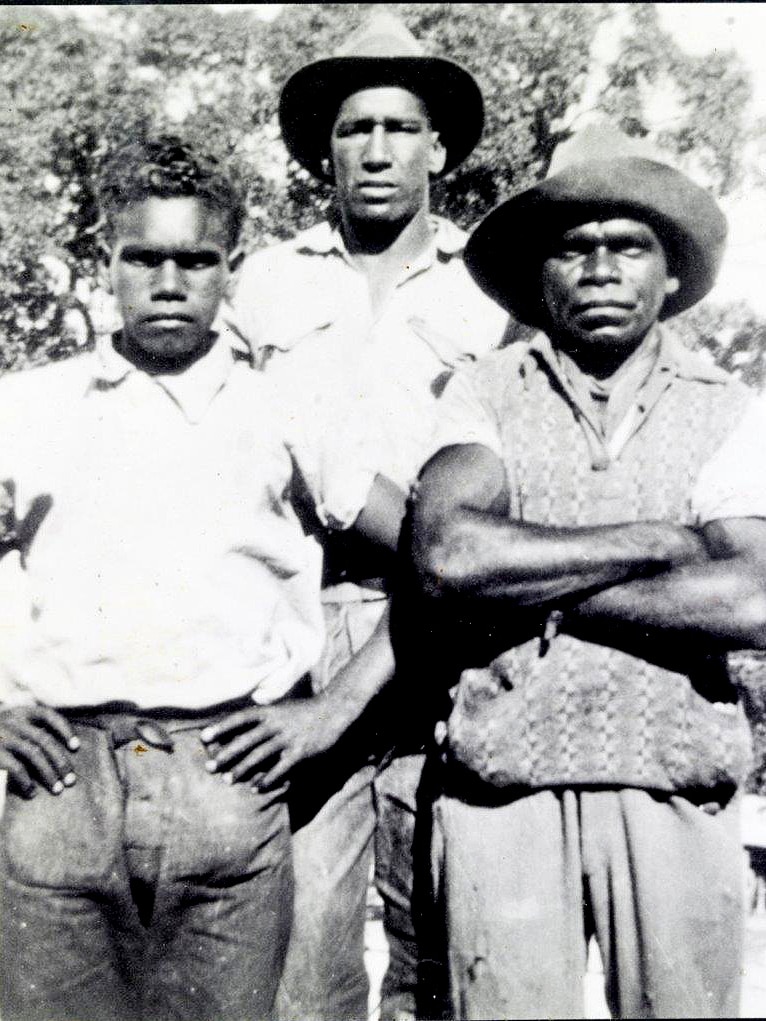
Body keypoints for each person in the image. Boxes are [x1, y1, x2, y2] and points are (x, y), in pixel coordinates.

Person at [0, 136, 402, 1021]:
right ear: (104, 261)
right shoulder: (27, 407)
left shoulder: (289, 403)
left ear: (234, 267)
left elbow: (434, 556)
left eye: (196, 259)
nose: (170, 281)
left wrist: (328, 711)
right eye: (143, 258)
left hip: (227, 782)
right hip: (62, 783)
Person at [410, 123, 766, 1019]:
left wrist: (542, 585)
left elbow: (754, 596)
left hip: (676, 782)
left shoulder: (728, 409)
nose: (601, 268)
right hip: (506, 787)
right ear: (540, 272)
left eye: (628, 246)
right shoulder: (482, 391)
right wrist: (655, 539)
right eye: (575, 248)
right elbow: (452, 555)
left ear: (672, 271)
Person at [228, 11, 508, 1021]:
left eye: (400, 126)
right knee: (302, 962)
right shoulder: (261, 281)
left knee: (446, 945)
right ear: (324, 150)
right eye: (355, 129)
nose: (377, 149)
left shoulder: (494, 286)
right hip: (301, 622)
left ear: (438, 147)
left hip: (453, 633)